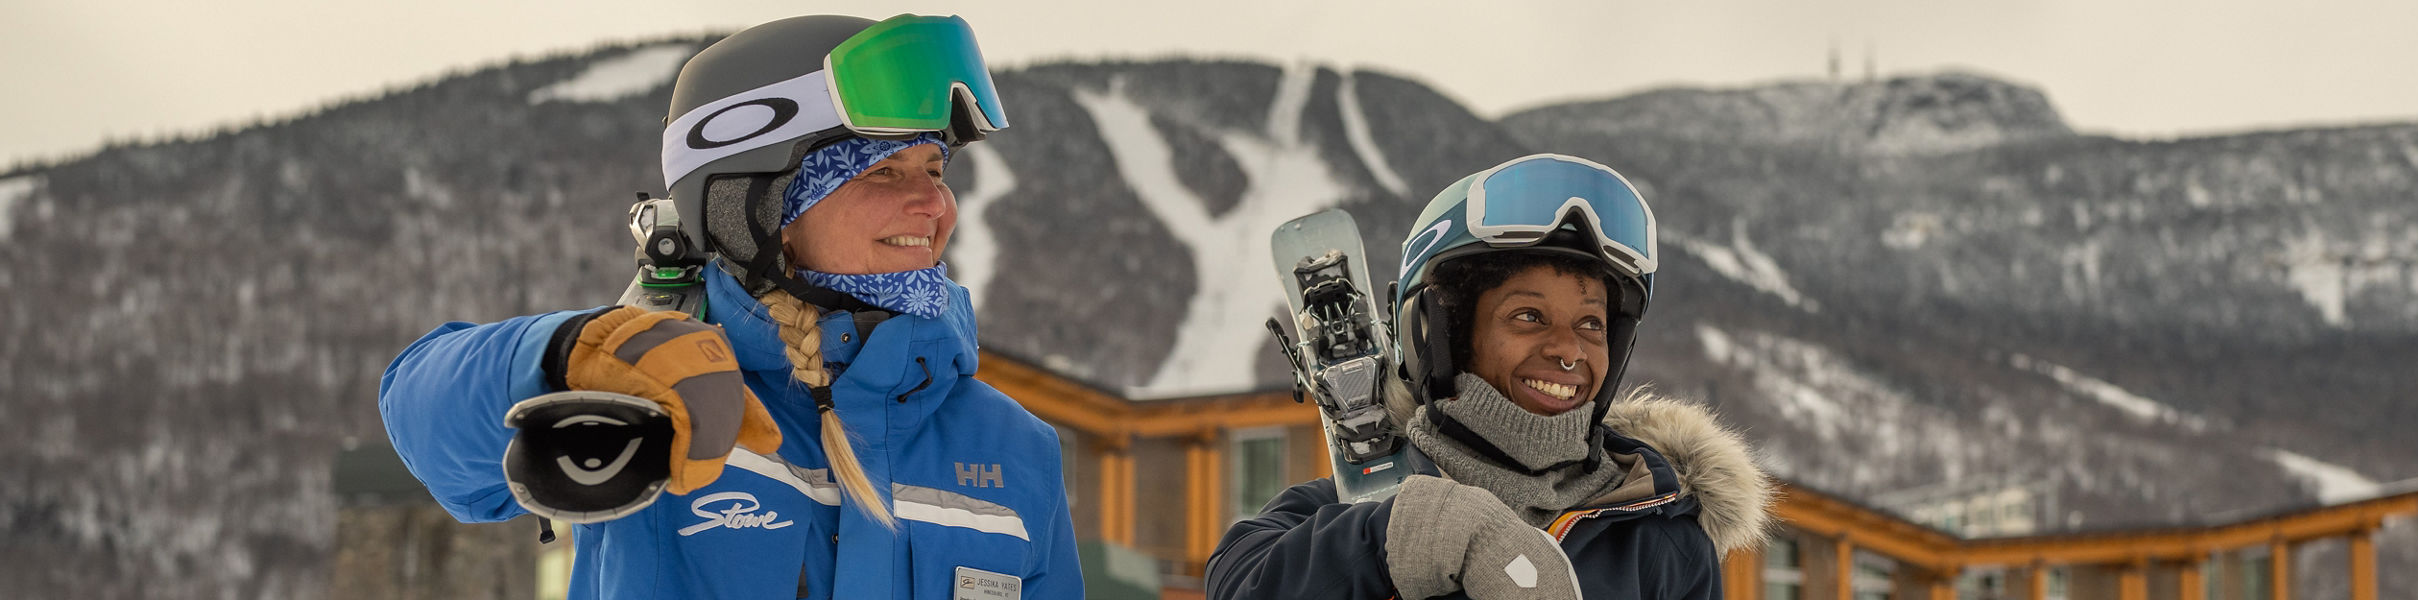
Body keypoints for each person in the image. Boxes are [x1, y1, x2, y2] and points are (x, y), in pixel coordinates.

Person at [377, 14, 1080, 600]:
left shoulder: (1014, 449)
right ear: (763, 208)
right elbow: (424, 419)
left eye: (934, 169)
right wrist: (564, 357)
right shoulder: (656, 386)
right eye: (884, 173)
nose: (932, 203)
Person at [1206, 154, 1774, 600]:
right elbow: (1238, 583)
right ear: (1445, 335)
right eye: (1528, 316)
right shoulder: (1343, 513)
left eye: (1591, 324)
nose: (1568, 350)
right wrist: (1412, 533)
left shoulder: (1661, 540)